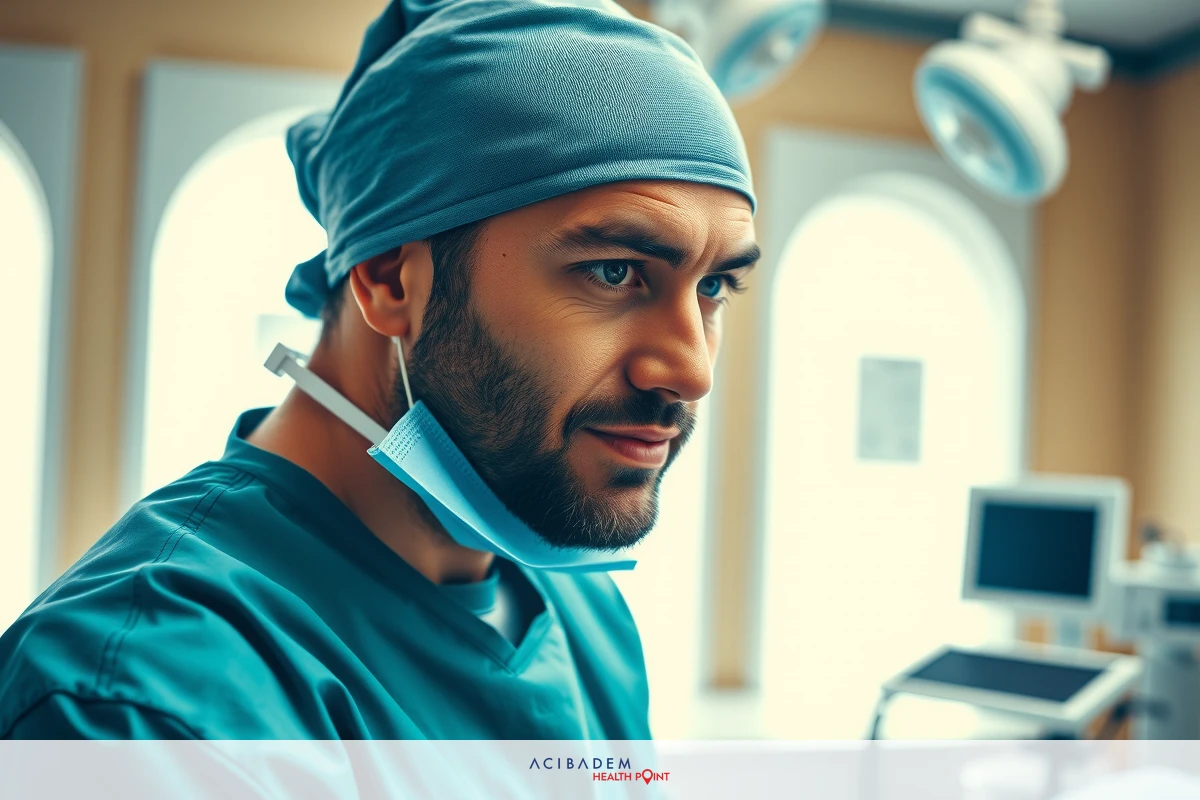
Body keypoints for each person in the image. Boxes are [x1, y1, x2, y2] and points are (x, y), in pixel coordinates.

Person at [0, 0, 758, 739]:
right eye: (614, 272)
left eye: (715, 285)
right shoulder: (139, 697)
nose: (691, 372)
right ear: (391, 279)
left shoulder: (584, 615)